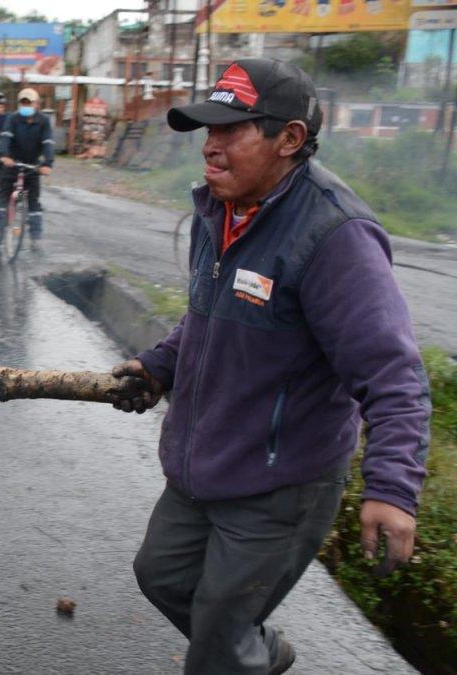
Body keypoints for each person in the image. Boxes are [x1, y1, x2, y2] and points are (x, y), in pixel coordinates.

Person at [110, 59, 431, 674]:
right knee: (161, 576)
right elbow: (206, 320)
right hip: (204, 459)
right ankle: (254, 653)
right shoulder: (221, 210)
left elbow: (395, 377)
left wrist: (391, 489)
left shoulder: (334, 235)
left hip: (281, 481)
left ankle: (234, 653)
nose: (211, 145)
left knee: (216, 643)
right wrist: (157, 366)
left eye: (232, 130)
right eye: (207, 129)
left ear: (289, 138)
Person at [0, 88, 53, 240]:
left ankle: (35, 232)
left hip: (32, 166)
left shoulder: (44, 121)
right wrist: (4, 155)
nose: (26, 105)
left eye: (29, 102)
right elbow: (5, 137)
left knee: (34, 200)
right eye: (23, 102)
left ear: (36, 104)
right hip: (12, 164)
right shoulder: (13, 118)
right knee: (2, 197)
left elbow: (48, 143)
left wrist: (47, 164)